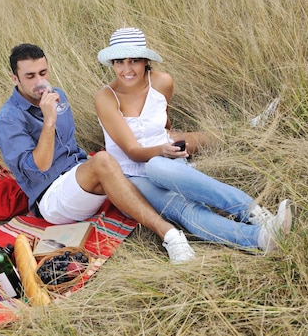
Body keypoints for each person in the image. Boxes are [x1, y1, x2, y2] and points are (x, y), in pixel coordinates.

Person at [0, 43, 196, 264]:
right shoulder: (9, 120)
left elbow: (70, 147)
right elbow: (39, 167)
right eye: (30, 76)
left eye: (43, 73)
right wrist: (48, 120)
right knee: (104, 161)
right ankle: (170, 235)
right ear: (15, 78)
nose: (39, 82)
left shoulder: (57, 94)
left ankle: (187, 199)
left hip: (78, 175)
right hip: (52, 197)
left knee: (124, 163)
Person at [94, 27, 293, 252]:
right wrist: (163, 149)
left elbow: (161, 119)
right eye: (119, 62)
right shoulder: (106, 97)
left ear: (145, 61)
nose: (127, 69)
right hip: (131, 173)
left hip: (166, 161)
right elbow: (131, 150)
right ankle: (261, 238)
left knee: (159, 167)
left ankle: (252, 211)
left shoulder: (162, 83)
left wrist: (169, 142)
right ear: (112, 63)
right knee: (183, 206)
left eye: (134, 61)